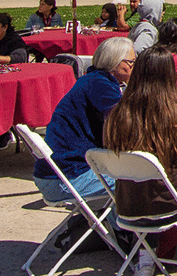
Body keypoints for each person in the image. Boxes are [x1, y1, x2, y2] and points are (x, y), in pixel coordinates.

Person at [101, 46, 177, 276]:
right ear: (169, 77)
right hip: (174, 202)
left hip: (129, 206)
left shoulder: (117, 114)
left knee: (149, 185)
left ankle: (145, 259)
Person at [33, 37, 135, 203]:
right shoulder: (102, 86)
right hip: (66, 179)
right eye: (130, 62)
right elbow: (128, 127)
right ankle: (123, 227)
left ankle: (106, 224)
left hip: (52, 174)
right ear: (115, 62)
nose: (133, 66)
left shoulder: (92, 79)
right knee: (142, 181)